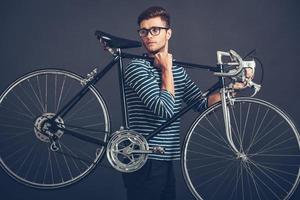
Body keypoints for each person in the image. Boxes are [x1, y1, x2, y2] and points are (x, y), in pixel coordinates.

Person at [122, 6, 250, 200]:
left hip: (165, 160)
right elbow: (164, 109)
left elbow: (202, 104)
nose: (149, 35)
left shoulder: (177, 72)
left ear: (168, 33)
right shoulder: (136, 68)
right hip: (143, 159)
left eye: (155, 30)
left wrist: (235, 88)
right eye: (144, 31)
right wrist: (166, 69)